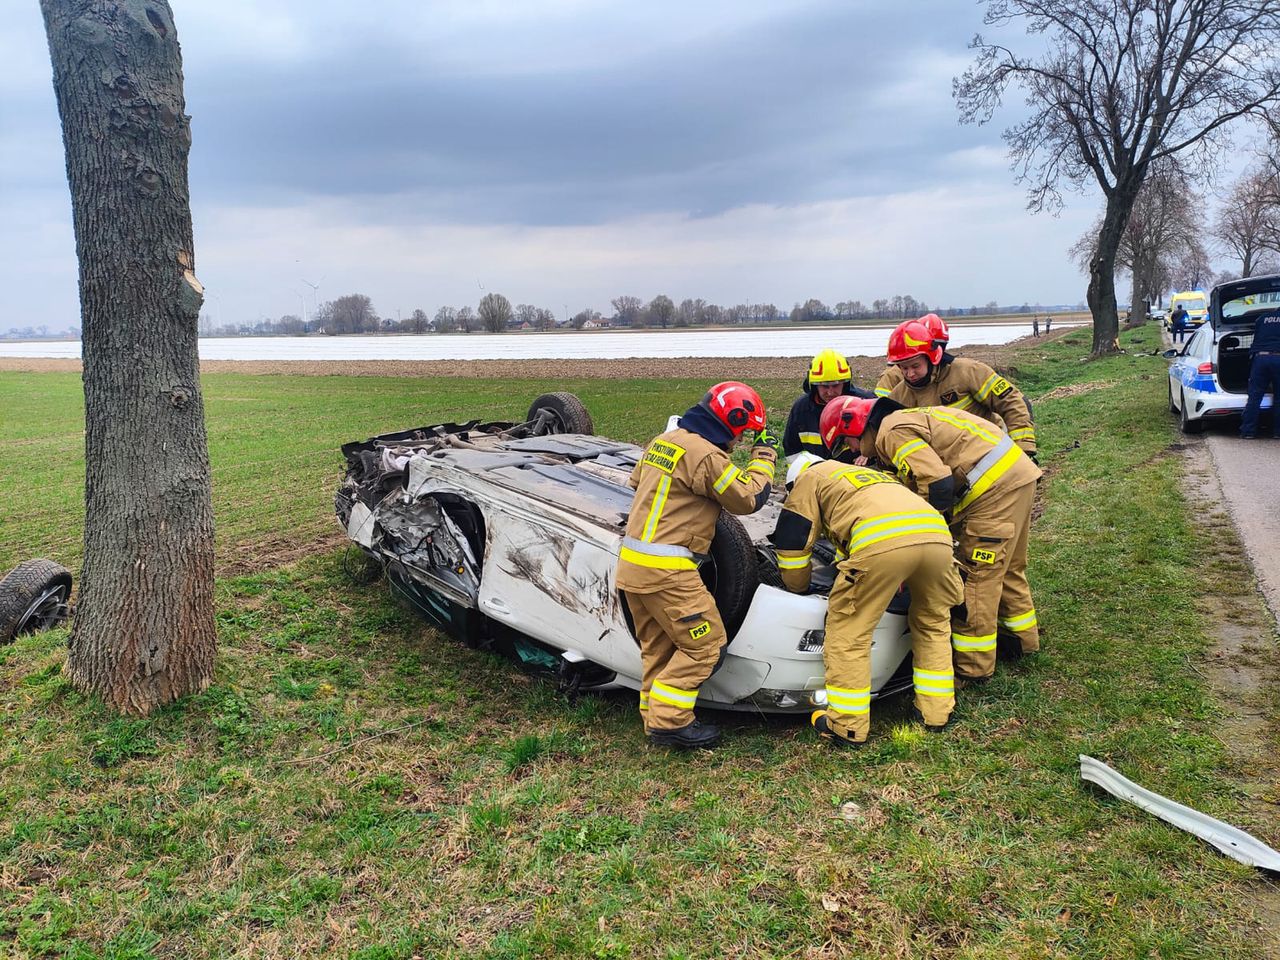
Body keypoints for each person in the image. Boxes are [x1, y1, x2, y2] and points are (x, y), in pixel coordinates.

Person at [821, 395, 1042, 683]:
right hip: (1016, 478)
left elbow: (936, 483)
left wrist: (931, 531)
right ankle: (1023, 642)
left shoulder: (890, 432)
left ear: (856, 427)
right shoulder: (903, 420)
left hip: (992, 491)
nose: (852, 452)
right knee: (1009, 567)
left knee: (977, 577)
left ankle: (974, 667)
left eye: (846, 443)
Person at [616, 382, 779, 749]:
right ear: (731, 421)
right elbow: (748, 498)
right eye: (741, 433)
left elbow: (636, 481)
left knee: (658, 648)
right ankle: (671, 724)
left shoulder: (663, 441)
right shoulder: (706, 456)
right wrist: (765, 457)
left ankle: (653, 716)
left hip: (631, 567)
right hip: (668, 572)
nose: (737, 442)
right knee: (706, 646)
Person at [773, 451, 962, 746]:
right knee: (933, 623)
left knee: (849, 634)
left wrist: (797, 587)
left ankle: (846, 727)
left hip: (883, 543)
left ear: (794, 481)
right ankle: (936, 713)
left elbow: (792, 543)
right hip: (938, 540)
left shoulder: (810, 479)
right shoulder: (865, 477)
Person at [874, 317, 1039, 461]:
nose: (910, 374)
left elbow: (1011, 403)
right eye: (903, 368)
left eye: (915, 366)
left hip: (991, 453)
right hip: (949, 470)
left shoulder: (968, 371)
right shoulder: (898, 396)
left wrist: (1024, 450)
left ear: (931, 358)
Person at [782, 349, 874, 459]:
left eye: (835, 386)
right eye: (824, 386)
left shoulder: (866, 403)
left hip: (857, 472)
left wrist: (869, 454)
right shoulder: (801, 409)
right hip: (817, 472)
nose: (830, 392)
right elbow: (792, 450)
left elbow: (883, 439)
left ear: (845, 383)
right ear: (814, 385)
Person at [1240, 309, 1280, 439]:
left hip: (1260, 358)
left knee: (1255, 397)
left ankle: (1248, 432)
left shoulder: (1263, 318)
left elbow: (1256, 337)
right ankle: (1277, 432)